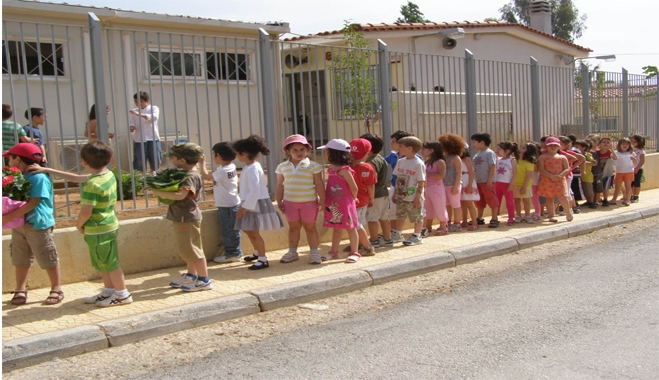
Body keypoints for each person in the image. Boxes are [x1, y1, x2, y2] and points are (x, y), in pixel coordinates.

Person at [31, 142, 131, 306]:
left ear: (84, 161)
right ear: (108, 160)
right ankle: (109, 291)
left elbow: (86, 211)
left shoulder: (92, 185)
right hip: (107, 226)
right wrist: (47, 170)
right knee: (102, 261)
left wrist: (79, 225)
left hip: (98, 228)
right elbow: (77, 178)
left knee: (110, 263)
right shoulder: (107, 175)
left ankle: (122, 294)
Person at [2, 143, 62, 305]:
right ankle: (20, 288)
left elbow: (32, 203)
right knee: (20, 257)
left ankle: (56, 288)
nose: (7, 161)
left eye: (10, 158)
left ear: (18, 159)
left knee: (47, 255)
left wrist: (7, 218)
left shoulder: (38, 178)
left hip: (37, 224)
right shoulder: (19, 176)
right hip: (20, 224)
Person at [151, 143, 211, 291]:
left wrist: (159, 192)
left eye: (172, 157)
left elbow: (181, 195)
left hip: (187, 217)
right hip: (182, 216)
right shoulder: (187, 173)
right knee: (186, 248)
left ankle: (204, 280)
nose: (170, 159)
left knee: (193, 248)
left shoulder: (189, 176)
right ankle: (191, 275)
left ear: (182, 160)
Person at [234, 135, 284, 270]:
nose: (236, 156)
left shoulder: (253, 169)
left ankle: (263, 259)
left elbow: (255, 191)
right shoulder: (249, 167)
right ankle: (257, 252)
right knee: (247, 229)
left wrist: (244, 207)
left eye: (237, 153)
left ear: (243, 154)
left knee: (253, 231)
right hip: (249, 203)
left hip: (253, 204)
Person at [275, 135, 324, 265]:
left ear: (307, 150)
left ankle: (314, 252)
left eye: (302, 149)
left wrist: (323, 199)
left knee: (311, 227)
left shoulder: (314, 166)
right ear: (288, 151)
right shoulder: (282, 166)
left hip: (309, 203)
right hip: (290, 203)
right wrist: (279, 200)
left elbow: (319, 184)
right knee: (293, 227)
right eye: (295, 150)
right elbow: (280, 184)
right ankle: (292, 252)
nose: (299, 152)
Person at [198, 142, 242, 263]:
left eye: (213, 154)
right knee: (232, 230)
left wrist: (202, 164)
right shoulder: (230, 166)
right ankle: (234, 251)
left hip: (227, 205)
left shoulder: (223, 171)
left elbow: (206, 176)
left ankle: (233, 254)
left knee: (229, 230)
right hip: (231, 203)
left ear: (218, 156)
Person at [318, 139, 360, 262]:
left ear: (333, 153)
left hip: (345, 204)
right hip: (334, 205)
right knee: (336, 228)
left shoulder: (344, 170)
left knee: (351, 228)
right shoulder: (331, 169)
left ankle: (355, 252)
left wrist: (354, 198)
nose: (325, 153)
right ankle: (333, 251)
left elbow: (354, 187)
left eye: (327, 151)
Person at [343, 138, 376, 258]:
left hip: (351, 200)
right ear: (367, 153)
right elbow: (370, 185)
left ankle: (367, 247)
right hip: (362, 200)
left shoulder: (345, 168)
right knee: (356, 223)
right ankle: (358, 244)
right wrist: (371, 199)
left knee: (356, 224)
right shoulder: (368, 168)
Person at [392, 136, 426, 246]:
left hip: (413, 196)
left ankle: (417, 235)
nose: (399, 149)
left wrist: (418, 197)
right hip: (401, 195)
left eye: (401, 147)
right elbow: (398, 178)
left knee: (416, 216)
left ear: (410, 148)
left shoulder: (418, 164)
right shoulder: (401, 161)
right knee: (400, 215)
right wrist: (394, 193)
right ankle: (398, 233)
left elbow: (421, 182)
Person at [360, 133, 393, 248]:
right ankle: (388, 238)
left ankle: (374, 239)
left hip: (375, 194)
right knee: (384, 217)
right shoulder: (380, 158)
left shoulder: (370, 162)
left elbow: (371, 179)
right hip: (383, 192)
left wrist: (369, 196)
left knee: (372, 219)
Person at [384, 131, 414, 243]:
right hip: (394, 185)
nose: (391, 144)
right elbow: (382, 162)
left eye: (394, 142)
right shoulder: (393, 155)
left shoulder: (415, 158)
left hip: (409, 188)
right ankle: (394, 232)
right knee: (393, 210)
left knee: (408, 210)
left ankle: (419, 231)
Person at [537, 136, 573, 223]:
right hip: (547, 180)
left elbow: (567, 168)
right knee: (549, 198)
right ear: (546, 146)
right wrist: (550, 176)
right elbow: (541, 169)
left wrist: (560, 175)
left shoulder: (562, 157)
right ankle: (551, 215)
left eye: (555, 145)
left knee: (563, 197)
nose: (553, 147)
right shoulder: (542, 157)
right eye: (550, 145)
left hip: (560, 180)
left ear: (559, 146)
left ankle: (568, 212)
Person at [471, 133, 499, 227]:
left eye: (474, 142)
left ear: (482, 142)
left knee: (491, 199)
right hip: (478, 181)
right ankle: (479, 218)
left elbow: (492, 166)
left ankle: (494, 218)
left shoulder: (489, 153)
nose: (473, 144)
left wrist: (490, 180)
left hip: (486, 181)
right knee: (479, 201)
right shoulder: (477, 155)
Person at [129, 91, 161, 175]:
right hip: (139, 138)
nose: (137, 103)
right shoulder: (134, 111)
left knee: (155, 156)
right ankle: (142, 173)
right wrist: (132, 127)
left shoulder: (154, 108)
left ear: (146, 100)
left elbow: (153, 117)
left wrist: (139, 114)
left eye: (140, 101)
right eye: (136, 101)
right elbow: (132, 122)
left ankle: (153, 171)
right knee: (140, 157)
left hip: (152, 137)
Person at [420, 141, 448, 236]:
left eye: (424, 149)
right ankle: (428, 226)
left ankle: (443, 226)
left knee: (439, 206)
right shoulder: (427, 162)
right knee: (427, 207)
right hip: (427, 188)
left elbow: (440, 176)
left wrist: (426, 174)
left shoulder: (440, 162)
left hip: (436, 188)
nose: (422, 151)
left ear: (431, 150)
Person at [438, 134, 464, 232]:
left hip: (453, 184)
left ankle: (457, 223)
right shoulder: (443, 157)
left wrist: (456, 186)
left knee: (456, 205)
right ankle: (447, 222)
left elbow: (459, 173)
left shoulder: (455, 158)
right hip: (443, 185)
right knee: (447, 205)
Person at [493, 141, 518, 226]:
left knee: (509, 201)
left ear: (507, 151)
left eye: (499, 149)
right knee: (497, 201)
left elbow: (515, 173)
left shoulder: (512, 160)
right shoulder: (498, 160)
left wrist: (511, 184)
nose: (497, 151)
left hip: (507, 184)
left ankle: (511, 217)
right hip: (497, 183)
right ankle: (495, 217)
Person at [513, 142, 538, 224]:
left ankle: (527, 215)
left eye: (523, 148)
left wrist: (524, 187)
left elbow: (528, 176)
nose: (520, 149)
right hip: (515, 184)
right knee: (516, 200)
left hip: (526, 185)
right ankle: (518, 215)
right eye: (521, 147)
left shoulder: (529, 162)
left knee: (526, 201)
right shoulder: (515, 160)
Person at [610, 137, 638, 206]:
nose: (625, 145)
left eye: (627, 144)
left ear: (629, 145)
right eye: (623, 144)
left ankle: (627, 200)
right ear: (619, 145)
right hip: (619, 172)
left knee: (628, 186)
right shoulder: (616, 152)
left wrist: (634, 160)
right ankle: (614, 199)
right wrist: (612, 149)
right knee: (617, 187)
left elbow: (635, 163)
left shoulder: (631, 153)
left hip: (629, 172)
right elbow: (613, 158)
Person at [459, 143, 479, 231]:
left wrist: (470, 185)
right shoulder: (458, 159)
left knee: (469, 204)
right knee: (463, 203)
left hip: (467, 180)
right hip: (461, 181)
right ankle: (464, 221)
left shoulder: (467, 159)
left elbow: (471, 172)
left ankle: (474, 223)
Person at [573, 140, 598, 209]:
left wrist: (583, 162)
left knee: (588, 189)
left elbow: (594, 163)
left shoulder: (587, 155)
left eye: (577, 147)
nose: (575, 148)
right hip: (577, 176)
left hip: (587, 176)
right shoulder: (574, 154)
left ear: (584, 147)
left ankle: (591, 202)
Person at [596, 137, 615, 207]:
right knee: (598, 185)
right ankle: (597, 199)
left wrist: (611, 149)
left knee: (606, 186)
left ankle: (605, 199)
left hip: (607, 172)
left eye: (608, 142)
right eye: (604, 142)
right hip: (599, 172)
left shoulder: (610, 152)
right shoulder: (597, 152)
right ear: (600, 144)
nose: (606, 144)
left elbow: (615, 158)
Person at [630, 134, 646, 203]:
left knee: (636, 182)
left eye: (635, 141)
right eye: (631, 141)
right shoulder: (629, 150)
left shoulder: (641, 150)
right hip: (630, 169)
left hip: (638, 169)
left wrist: (637, 168)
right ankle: (630, 195)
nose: (633, 143)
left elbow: (642, 161)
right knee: (630, 183)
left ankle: (636, 195)